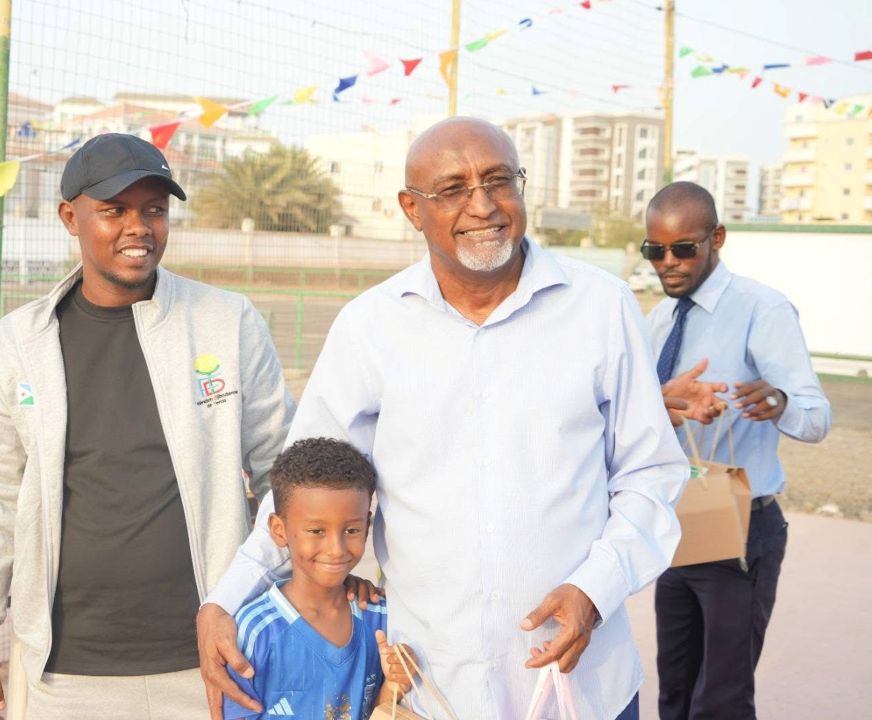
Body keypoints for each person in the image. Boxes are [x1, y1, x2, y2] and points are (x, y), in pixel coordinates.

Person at [197, 117, 690, 720]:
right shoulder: (370, 326)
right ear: (412, 208)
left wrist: (595, 590)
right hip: (430, 689)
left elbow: (652, 474)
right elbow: (305, 490)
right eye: (453, 189)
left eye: (499, 181)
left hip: (579, 686)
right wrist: (224, 600)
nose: (483, 206)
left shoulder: (602, 307)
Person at [0, 133, 295, 719]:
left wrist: (293, 597)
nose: (139, 227)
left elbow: (285, 477)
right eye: (114, 210)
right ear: (70, 218)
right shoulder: (18, 342)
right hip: (66, 668)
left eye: (154, 210)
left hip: (212, 652)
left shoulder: (226, 321)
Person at [642, 182, 831, 720]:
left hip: (740, 526)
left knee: (721, 700)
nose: (669, 263)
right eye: (655, 251)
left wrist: (779, 400)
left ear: (717, 238)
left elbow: (817, 419)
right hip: (679, 518)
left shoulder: (761, 309)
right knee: (674, 689)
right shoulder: (658, 320)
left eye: (684, 248)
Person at [223, 437, 414, 720]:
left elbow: (377, 714)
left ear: (367, 525)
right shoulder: (255, 630)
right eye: (316, 531)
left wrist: (394, 684)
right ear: (278, 529)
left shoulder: (379, 618)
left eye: (351, 530)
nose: (336, 550)